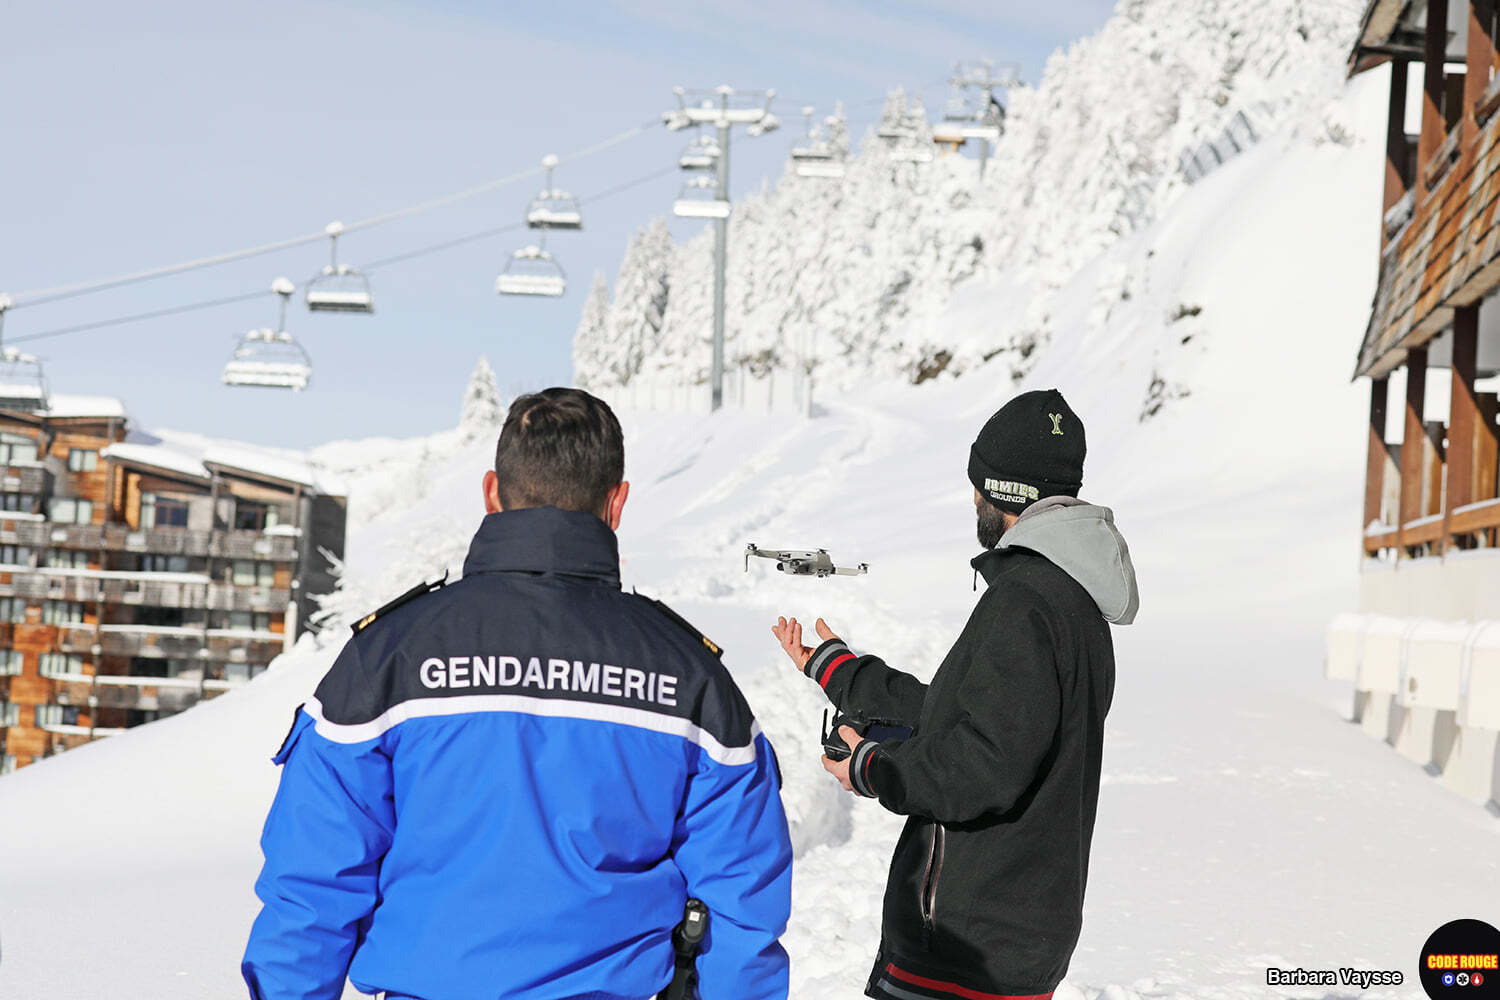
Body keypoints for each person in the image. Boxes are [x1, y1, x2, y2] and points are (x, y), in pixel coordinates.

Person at [243, 387, 793, 1000]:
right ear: (616, 504)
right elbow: (742, 906)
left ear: (490, 494)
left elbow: (311, 886)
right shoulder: (691, 677)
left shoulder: (386, 659)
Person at [773, 388, 1138, 1000]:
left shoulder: (1023, 603)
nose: (974, 499)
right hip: (1013, 936)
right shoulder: (1071, 605)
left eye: (980, 485)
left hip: (967, 944)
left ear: (1005, 494)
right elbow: (966, 717)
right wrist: (843, 674)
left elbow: (977, 769)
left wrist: (871, 766)